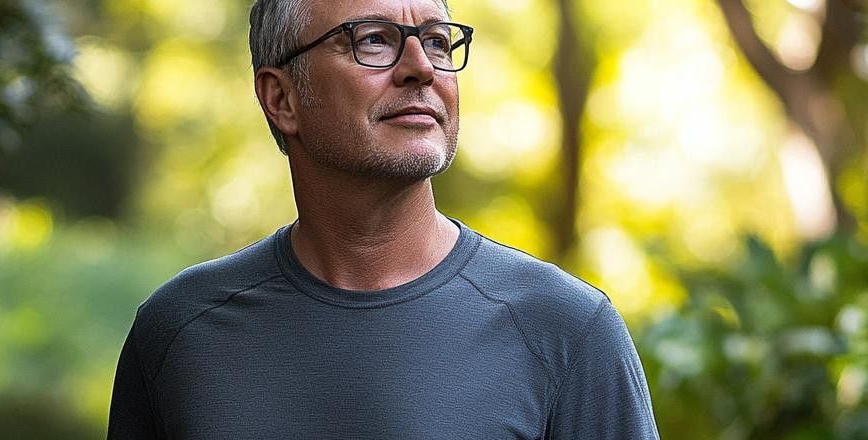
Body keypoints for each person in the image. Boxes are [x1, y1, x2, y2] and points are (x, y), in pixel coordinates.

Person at [107, 0, 660, 438]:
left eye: (439, 41)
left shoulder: (566, 329)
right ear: (281, 99)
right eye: (373, 40)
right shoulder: (180, 333)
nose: (421, 68)